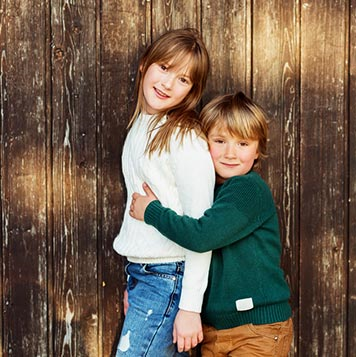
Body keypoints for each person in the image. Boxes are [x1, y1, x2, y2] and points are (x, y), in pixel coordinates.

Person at [129, 92, 294, 356]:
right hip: (214, 331)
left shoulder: (247, 189)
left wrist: (153, 212)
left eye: (243, 143)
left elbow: (202, 236)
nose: (230, 153)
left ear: (257, 150)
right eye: (220, 141)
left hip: (256, 329)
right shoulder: (205, 192)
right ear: (203, 143)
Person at [113, 28, 214, 356]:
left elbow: (203, 229)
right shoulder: (141, 125)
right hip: (144, 276)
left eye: (183, 80)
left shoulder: (183, 137)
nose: (168, 84)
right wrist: (134, 278)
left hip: (169, 278)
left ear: (191, 91)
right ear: (145, 64)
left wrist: (189, 307)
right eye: (165, 68)